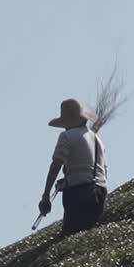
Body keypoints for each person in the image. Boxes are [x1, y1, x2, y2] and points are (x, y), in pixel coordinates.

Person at [39, 98, 108, 235]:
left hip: (80, 194)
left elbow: (56, 165)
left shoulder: (67, 136)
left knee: (71, 234)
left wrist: (46, 196)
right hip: (100, 193)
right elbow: (98, 170)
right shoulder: (97, 139)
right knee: (91, 234)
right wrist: (67, 181)